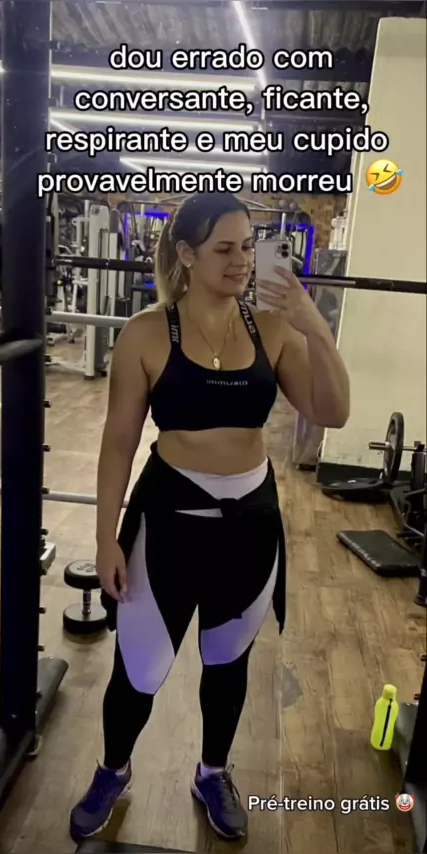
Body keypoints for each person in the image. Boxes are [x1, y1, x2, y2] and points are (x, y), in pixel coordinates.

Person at [70, 192, 350, 842]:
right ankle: (113, 769)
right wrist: (105, 538)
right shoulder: (146, 333)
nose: (242, 260)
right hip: (168, 522)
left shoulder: (272, 330)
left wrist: (313, 323)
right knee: (139, 668)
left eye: (248, 246)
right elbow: (118, 441)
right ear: (187, 255)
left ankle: (212, 772)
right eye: (224, 248)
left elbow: (332, 412)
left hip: (249, 525)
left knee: (227, 662)